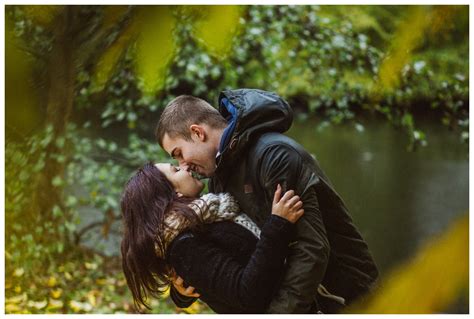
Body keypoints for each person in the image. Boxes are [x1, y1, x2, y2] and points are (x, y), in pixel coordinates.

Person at [155, 89, 379, 313]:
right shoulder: (219, 177)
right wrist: (182, 290)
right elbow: (222, 258)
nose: (183, 165)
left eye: (179, 153)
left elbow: (312, 249)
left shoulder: (274, 155)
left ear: (197, 133)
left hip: (346, 298)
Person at [120, 162, 304, 313]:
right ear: (174, 193)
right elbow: (247, 295)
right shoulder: (183, 245)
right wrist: (278, 224)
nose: (184, 167)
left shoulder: (205, 218)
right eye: (176, 170)